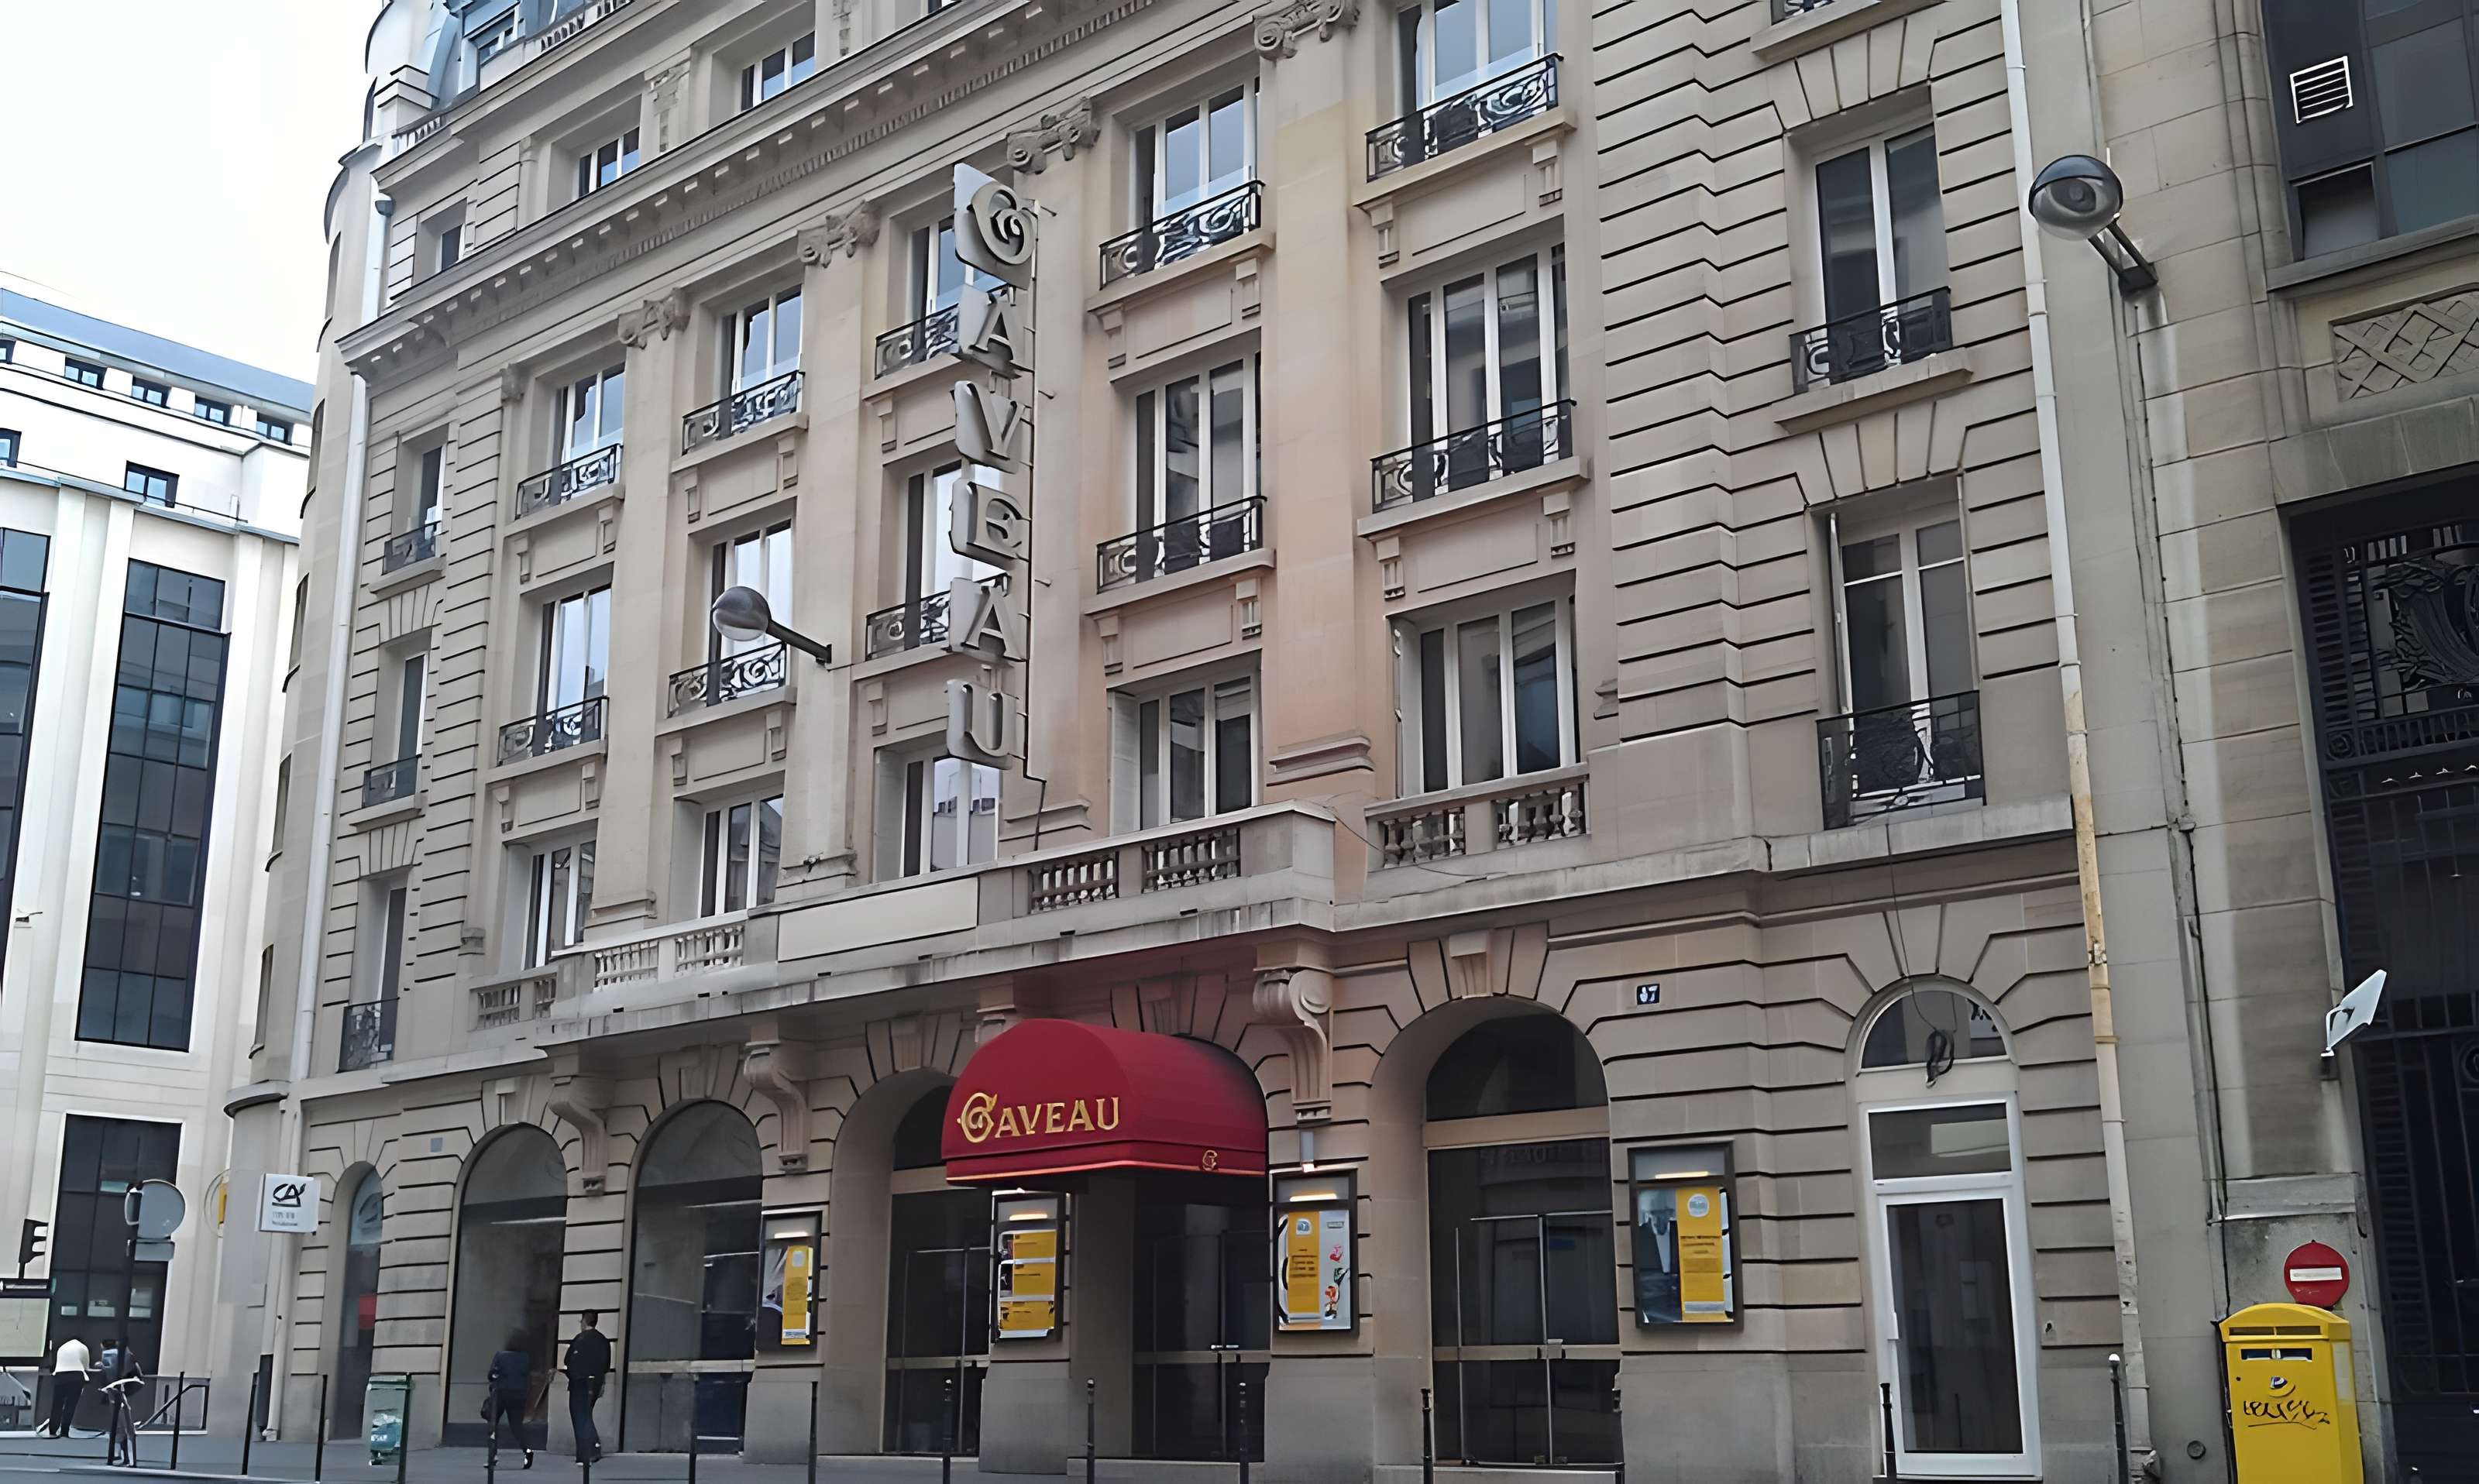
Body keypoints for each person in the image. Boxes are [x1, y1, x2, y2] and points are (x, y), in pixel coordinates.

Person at [559, 1312, 610, 1463]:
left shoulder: (580, 1339)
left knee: (579, 1417)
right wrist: (601, 1384)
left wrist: (570, 1374)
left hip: (579, 1383)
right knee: (586, 1416)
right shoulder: (603, 1340)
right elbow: (606, 1365)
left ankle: (585, 1454)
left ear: (584, 1321)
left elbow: (569, 1360)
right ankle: (593, 1448)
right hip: (595, 1383)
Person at [485, 1332, 534, 1469]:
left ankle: (492, 1455)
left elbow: (491, 1375)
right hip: (518, 1395)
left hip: (501, 1393)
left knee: (493, 1423)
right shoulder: (525, 1358)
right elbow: (528, 1377)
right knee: (517, 1426)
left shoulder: (501, 1356)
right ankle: (528, 1450)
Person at [46, 1335, 90, 1438]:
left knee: (57, 1405)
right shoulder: (83, 1347)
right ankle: (64, 1431)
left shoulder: (62, 1347)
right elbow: (86, 1366)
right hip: (76, 1377)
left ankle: (52, 1430)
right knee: (70, 1405)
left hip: (60, 1376)